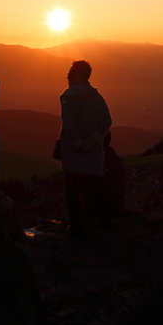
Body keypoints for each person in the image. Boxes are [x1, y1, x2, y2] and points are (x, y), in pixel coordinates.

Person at [57, 60, 112, 237]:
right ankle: (103, 221)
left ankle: (77, 226)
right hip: (92, 148)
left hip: (72, 149)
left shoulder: (67, 96)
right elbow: (107, 121)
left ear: (78, 75)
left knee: (71, 187)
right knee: (96, 183)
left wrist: (78, 143)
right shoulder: (97, 96)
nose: (68, 75)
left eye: (71, 72)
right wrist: (94, 139)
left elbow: (68, 123)